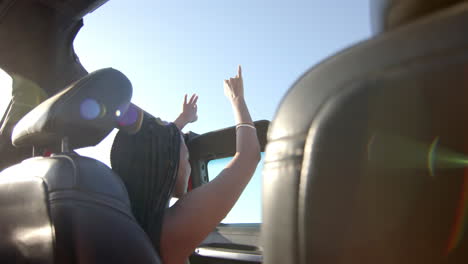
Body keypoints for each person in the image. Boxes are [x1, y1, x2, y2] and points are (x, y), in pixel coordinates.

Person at [110, 65, 261, 264]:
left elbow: (158, 146)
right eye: (187, 156)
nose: (189, 165)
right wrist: (237, 99)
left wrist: (184, 119)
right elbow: (248, 157)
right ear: (169, 166)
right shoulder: (168, 229)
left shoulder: (126, 221)